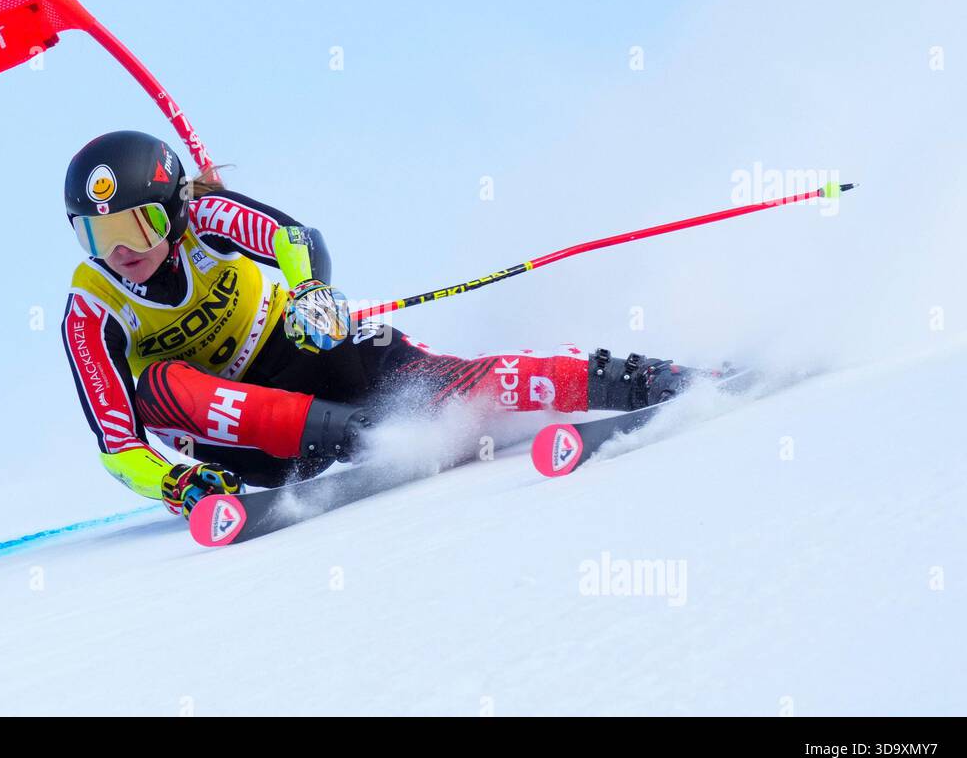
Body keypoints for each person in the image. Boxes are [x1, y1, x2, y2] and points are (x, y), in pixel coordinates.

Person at [61, 131, 696, 517]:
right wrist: (178, 484)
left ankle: (637, 380)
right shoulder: (92, 308)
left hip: (303, 355)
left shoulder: (208, 216)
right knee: (159, 388)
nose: (120, 251)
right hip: (247, 437)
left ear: (175, 209)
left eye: (135, 225)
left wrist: (312, 291)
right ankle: (366, 437)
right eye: (96, 234)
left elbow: (292, 237)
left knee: (422, 370)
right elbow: (119, 449)